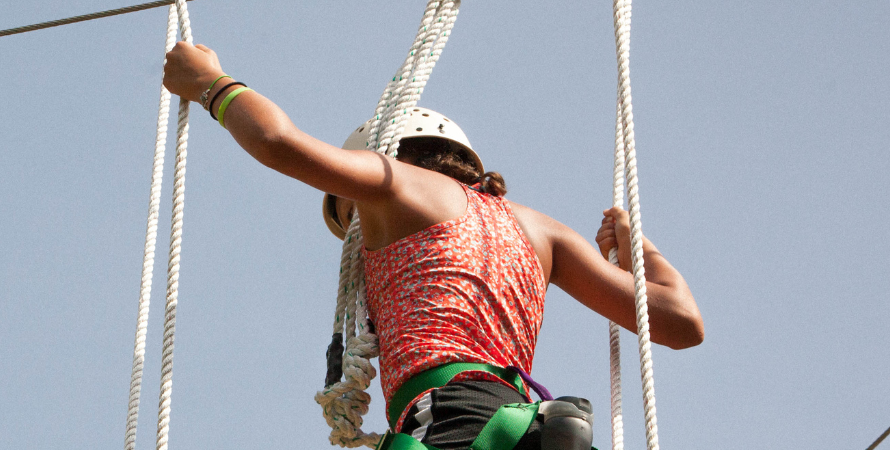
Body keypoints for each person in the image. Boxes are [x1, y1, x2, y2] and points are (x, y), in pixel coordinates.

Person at [162, 42, 704, 449]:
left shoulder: (395, 187)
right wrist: (640, 251)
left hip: (449, 418)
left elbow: (278, 142)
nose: (357, 230)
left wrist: (209, 83)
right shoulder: (542, 231)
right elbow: (680, 323)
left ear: (389, 154)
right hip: (517, 421)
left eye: (350, 210)